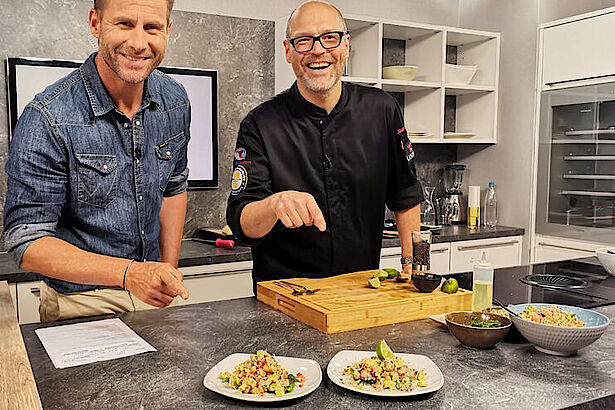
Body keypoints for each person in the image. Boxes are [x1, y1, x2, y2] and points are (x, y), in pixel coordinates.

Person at [3, 0, 190, 322]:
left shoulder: (175, 101)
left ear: (168, 30)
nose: (138, 43)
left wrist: (166, 270)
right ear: (95, 23)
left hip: (153, 293)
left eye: (152, 27)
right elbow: (27, 239)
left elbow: (174, 186)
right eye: (125, 24)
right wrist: (129, 273)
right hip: (80, 300)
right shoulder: (48, 117)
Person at [226, 0, 423, 286]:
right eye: (304, 40)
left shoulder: (382, 109)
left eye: (330, 38)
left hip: (360, 290)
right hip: (285, 295)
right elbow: (241, 220)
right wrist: (274, 204)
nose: (318, 50)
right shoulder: (259, 124)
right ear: (288, 51)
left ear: (346, 45)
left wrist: (413, 264)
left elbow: (405, 193)